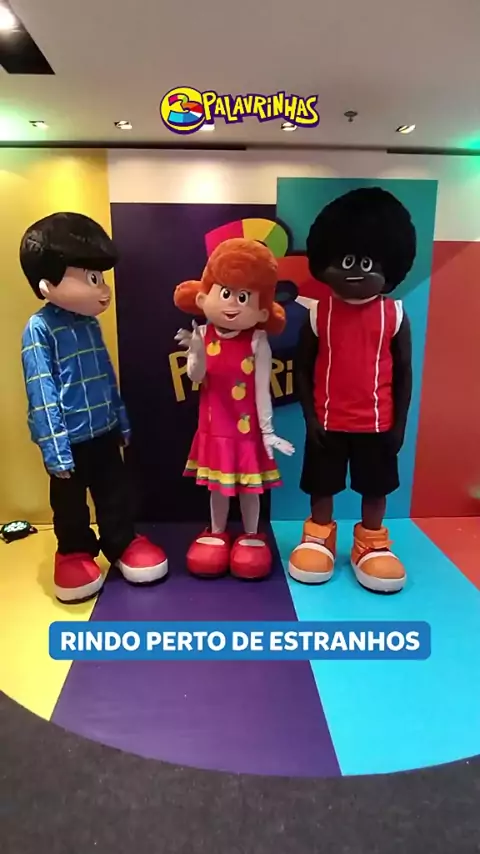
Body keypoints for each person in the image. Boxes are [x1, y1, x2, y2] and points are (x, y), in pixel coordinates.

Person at [20, 212, 168, 603]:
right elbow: (41, 390)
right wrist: (54, 448)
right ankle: (73, 551)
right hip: (67, 441)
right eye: (91, 278)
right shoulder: (39, 329)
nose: (103, 290)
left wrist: (121, 420)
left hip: (103, 431)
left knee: (115, 492)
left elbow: (105, 373)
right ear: (47, 283)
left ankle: (121, 540)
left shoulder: (89, 324)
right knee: (69, 503)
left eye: (100, 278)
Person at [288, 188, 416, 593]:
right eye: (346, 262)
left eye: (366, 263)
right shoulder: (318, 313)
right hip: (327, 423)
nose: (356, 272)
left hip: (377, 425)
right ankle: (318, 537)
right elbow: (302, 368)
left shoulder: (394, 314)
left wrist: (399, 425)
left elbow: (405, 373)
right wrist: (310, 418)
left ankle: (371, 543)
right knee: (321, 485)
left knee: (375, 487)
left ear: (389, 264)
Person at [174, 238, 294, 580]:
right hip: (215, 431)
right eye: (225, 293)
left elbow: (262, 391)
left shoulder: (257, 340)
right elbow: (196, 377)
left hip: (247, 433)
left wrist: (268, 432)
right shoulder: (203, 334)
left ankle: (252, 534)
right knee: (218, 488)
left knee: (249, 489)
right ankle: (216, 531)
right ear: (204, 297)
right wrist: (196, 352)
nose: (232, 305)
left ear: (262, 311)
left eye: (243, 298)